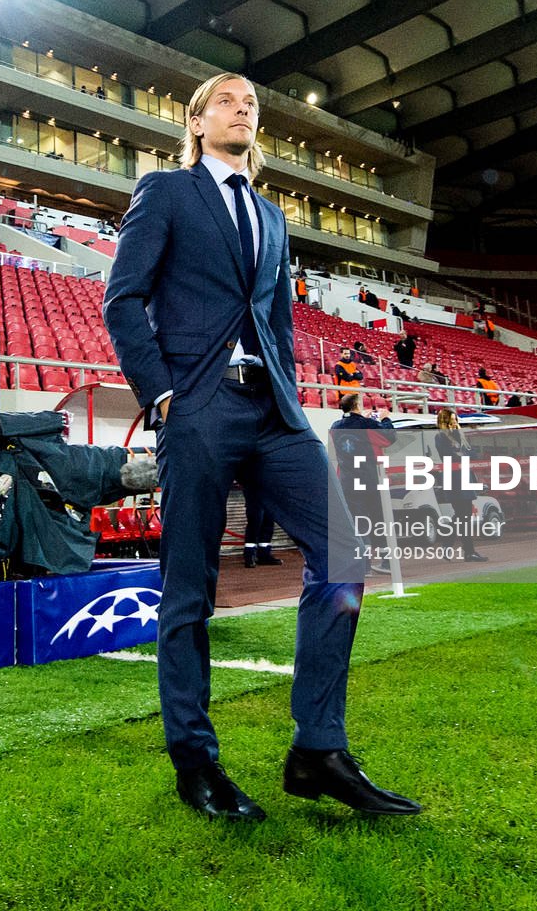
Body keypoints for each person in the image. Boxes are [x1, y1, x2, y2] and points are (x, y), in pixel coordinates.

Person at [104, 71, 418, 822]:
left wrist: (291, 395)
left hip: (273, 410)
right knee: (189, 588)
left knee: (344, 552)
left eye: (252, 104)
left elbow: (273, 318)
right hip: (199, 406)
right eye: (227, 100)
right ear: (196, 121)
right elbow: (123, 299)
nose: (243, 109)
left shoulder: (273, 217)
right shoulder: (167, 193)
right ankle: (195, 760)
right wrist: (164, 394)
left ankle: (318, 747)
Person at [433, 408, 488, 562]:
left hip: (465, 477)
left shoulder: (460, 436)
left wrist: (462, 454)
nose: (455, 423)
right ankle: (465, 550)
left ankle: (453, 545)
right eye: (452, 420)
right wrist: (462, 455)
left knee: (464, 515)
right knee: (461, 514)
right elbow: (447, 456)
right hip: (453, 478)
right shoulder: (440, 437)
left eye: (455, 419)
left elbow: (472, 453)